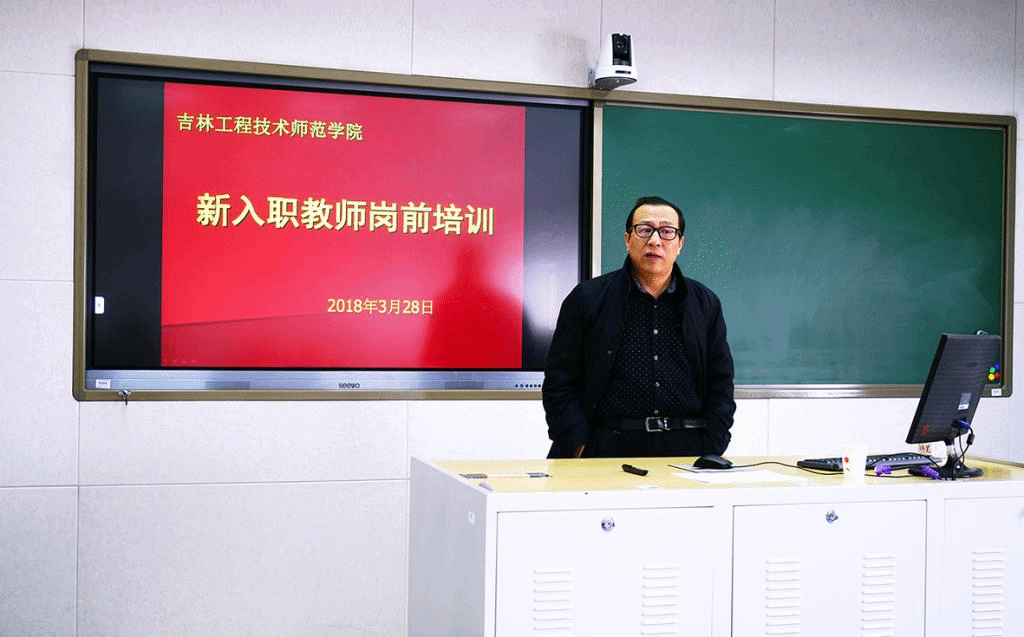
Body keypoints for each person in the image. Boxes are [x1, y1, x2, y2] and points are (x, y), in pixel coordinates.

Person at [542, 195, 735, 458]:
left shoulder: (705, 304)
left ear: (680, 243)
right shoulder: (587, 298)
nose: (655, 240)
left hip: (686, 448)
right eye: (644, 230)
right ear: (627, 239)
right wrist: (577, 444)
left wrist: (712, 444)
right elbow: (559, 380)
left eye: (667, 231)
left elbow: (720, 383)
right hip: (604, 447)